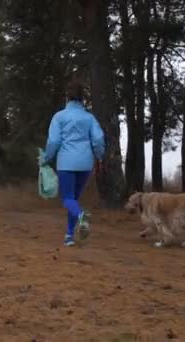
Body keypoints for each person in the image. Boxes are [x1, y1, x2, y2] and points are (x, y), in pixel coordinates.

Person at [40, 79, 105, 247]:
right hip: (85, 163)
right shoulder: (89, 118)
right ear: (83, 98)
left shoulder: (59, 116)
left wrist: (46, 158)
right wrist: (99, 157)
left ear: (67, 97)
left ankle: (82, 215)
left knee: (68, 199)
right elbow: (98, 139)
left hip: (67, 162)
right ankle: (69, 236)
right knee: (74, 199)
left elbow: (54, 141)